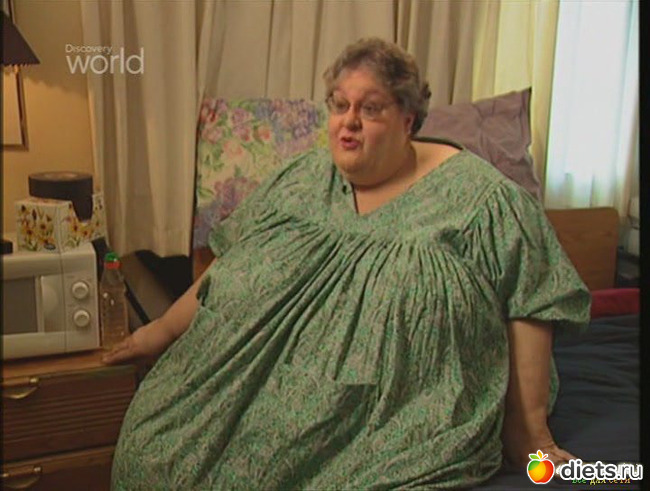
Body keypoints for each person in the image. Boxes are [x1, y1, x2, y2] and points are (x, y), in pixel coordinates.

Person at [105, 38, 589, 489]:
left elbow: (532, 298)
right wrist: (162, 330)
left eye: (370, 108)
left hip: (391, 410)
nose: (349, 121)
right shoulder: (301, 180)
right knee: (153, 454)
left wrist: (530, 432)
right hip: (253, 381)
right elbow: (233, 264)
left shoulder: (483, 200)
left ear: (408, 119)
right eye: (339, 105)